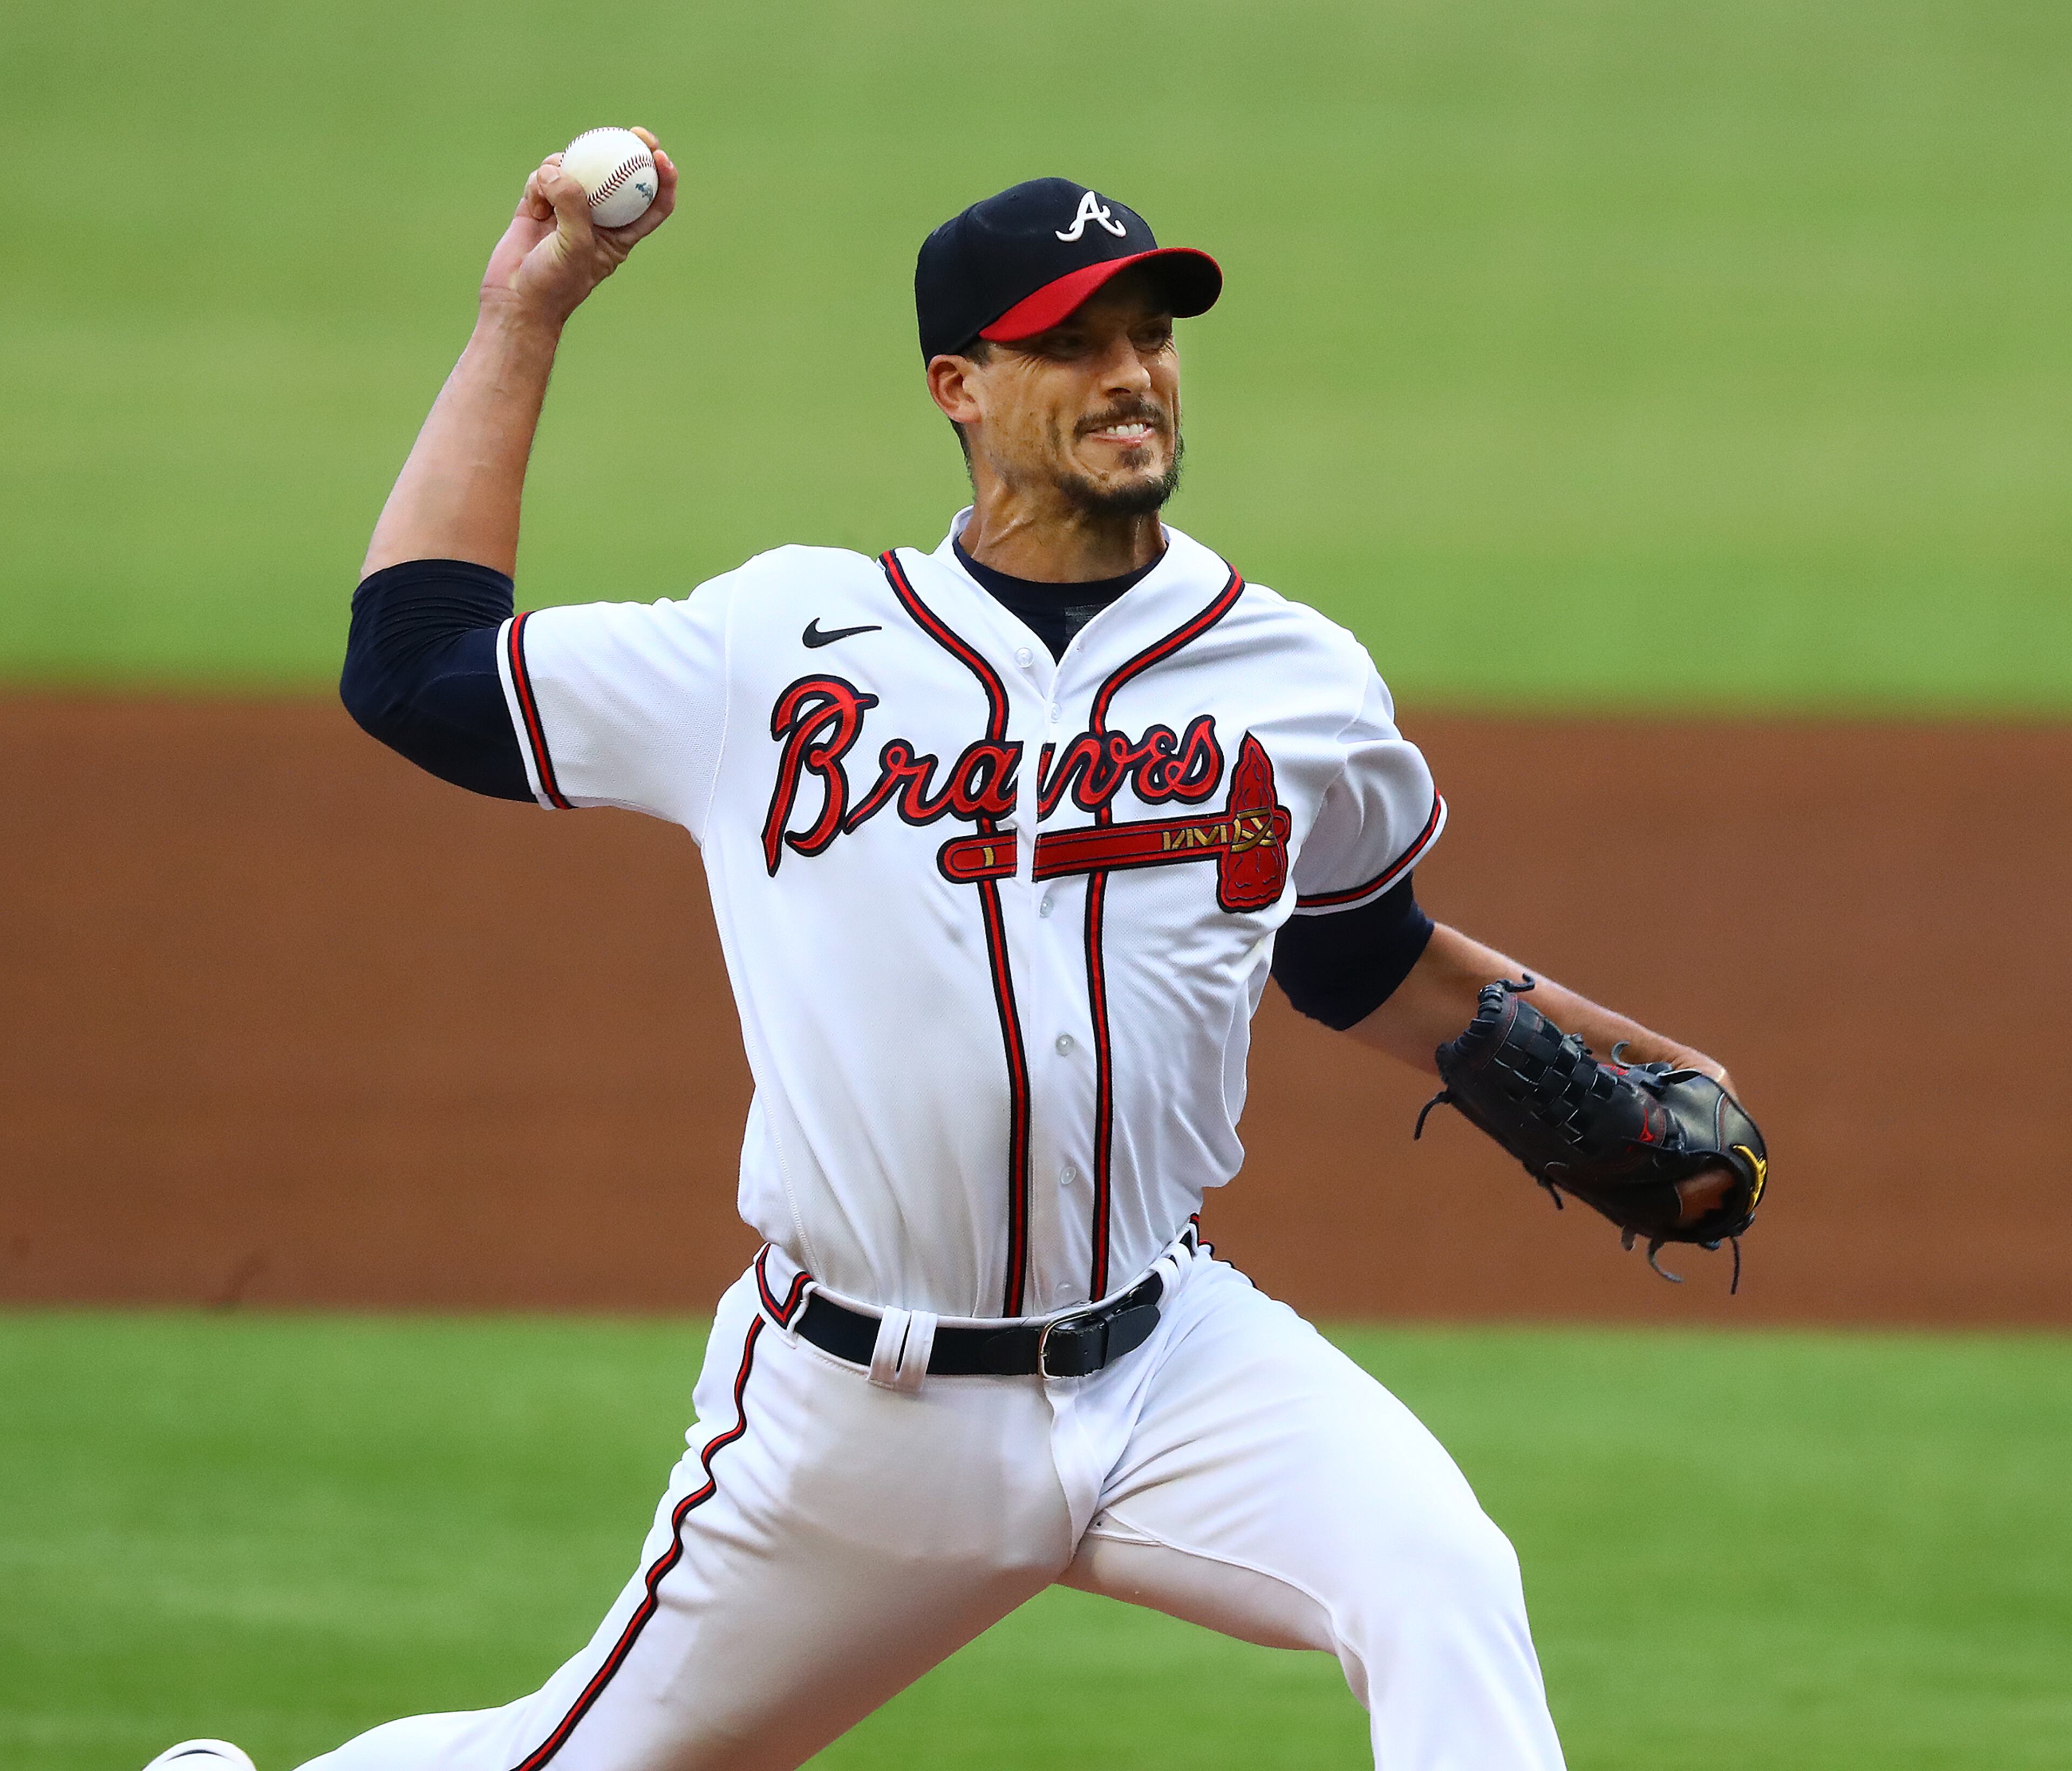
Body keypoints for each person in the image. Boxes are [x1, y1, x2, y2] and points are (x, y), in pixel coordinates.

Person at [147, 135, 1746, 1771]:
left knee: (1440, 1578)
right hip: (859, 1414)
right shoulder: (780, 649)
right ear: (957, 386)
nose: (1130, 376)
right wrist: (524, 310)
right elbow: (418, 671)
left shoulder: (1298, 678)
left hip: (1170, 1357)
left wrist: (1649, 1064)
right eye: (1071, 342)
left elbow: (1366, 959)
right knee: (574, 1757)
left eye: (1150, 334)